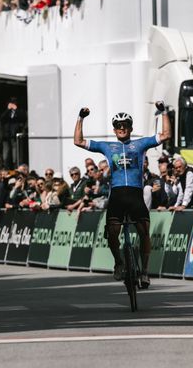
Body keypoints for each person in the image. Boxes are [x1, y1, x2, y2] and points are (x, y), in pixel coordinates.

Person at [74, 101, 171, 288]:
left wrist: (164, 111)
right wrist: (80, 118)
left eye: (125, 125)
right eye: (118, 126)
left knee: (144, 233)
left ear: (130, 128)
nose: (121, 128)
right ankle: (119, 262)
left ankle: (144, 272)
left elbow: (166, 134)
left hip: (135, 194)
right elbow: (78, 141)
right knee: (112, 234)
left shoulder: (140, 144)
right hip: (117, 195)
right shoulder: (107, 147)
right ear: (114, 129)